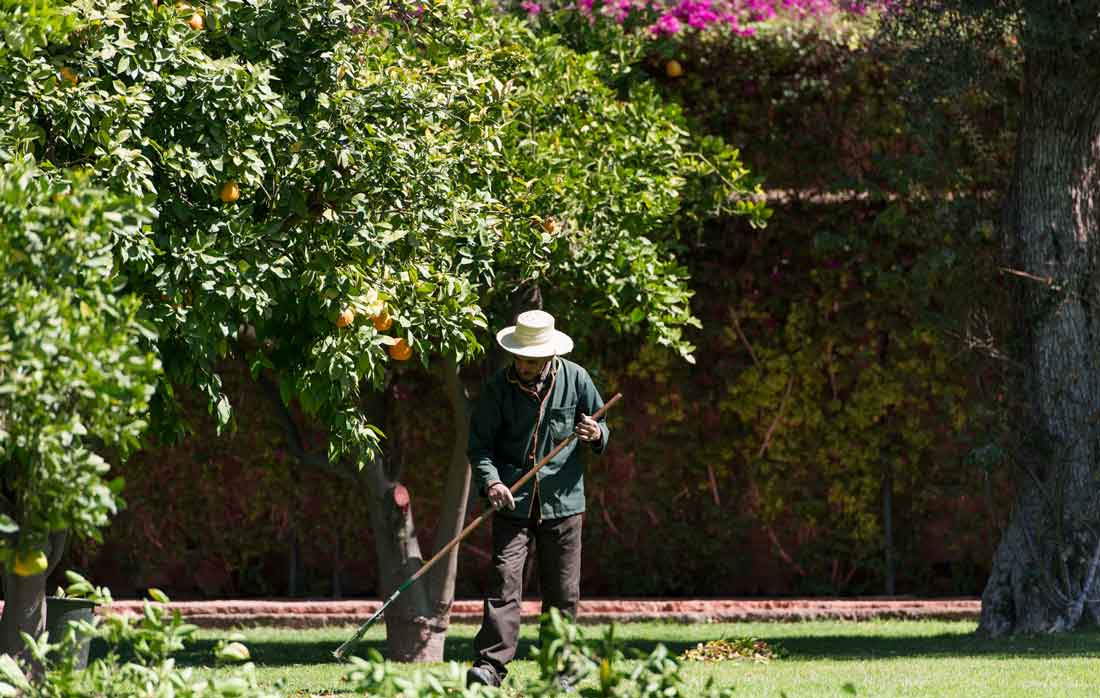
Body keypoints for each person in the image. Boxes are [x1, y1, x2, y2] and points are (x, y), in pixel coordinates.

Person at [465, 309, 609, 689]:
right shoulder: (497, 388)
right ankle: (490, 667)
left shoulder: (576, 378)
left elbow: (601, 426)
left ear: (549, 355)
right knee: (504, 584)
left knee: (563, 592)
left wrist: (595, 432)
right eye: (521, 359)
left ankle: (560, 670)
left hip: (564, 504)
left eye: (533, 360)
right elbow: (479, 447)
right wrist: (492, 483)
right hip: (512, 501)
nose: (525, 366)